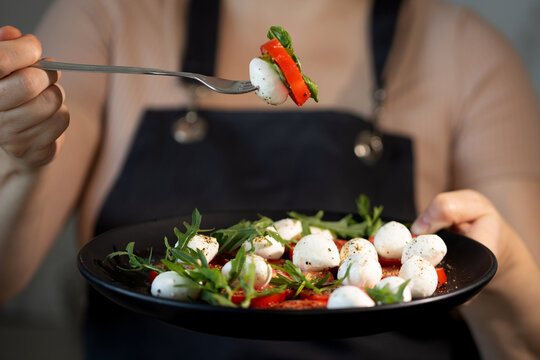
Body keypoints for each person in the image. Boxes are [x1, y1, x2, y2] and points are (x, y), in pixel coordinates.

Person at [0, 0, 539, 359]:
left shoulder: (468, 52)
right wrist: (18, 162)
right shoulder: (107, 16)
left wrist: (501, 269)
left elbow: (527, 342)